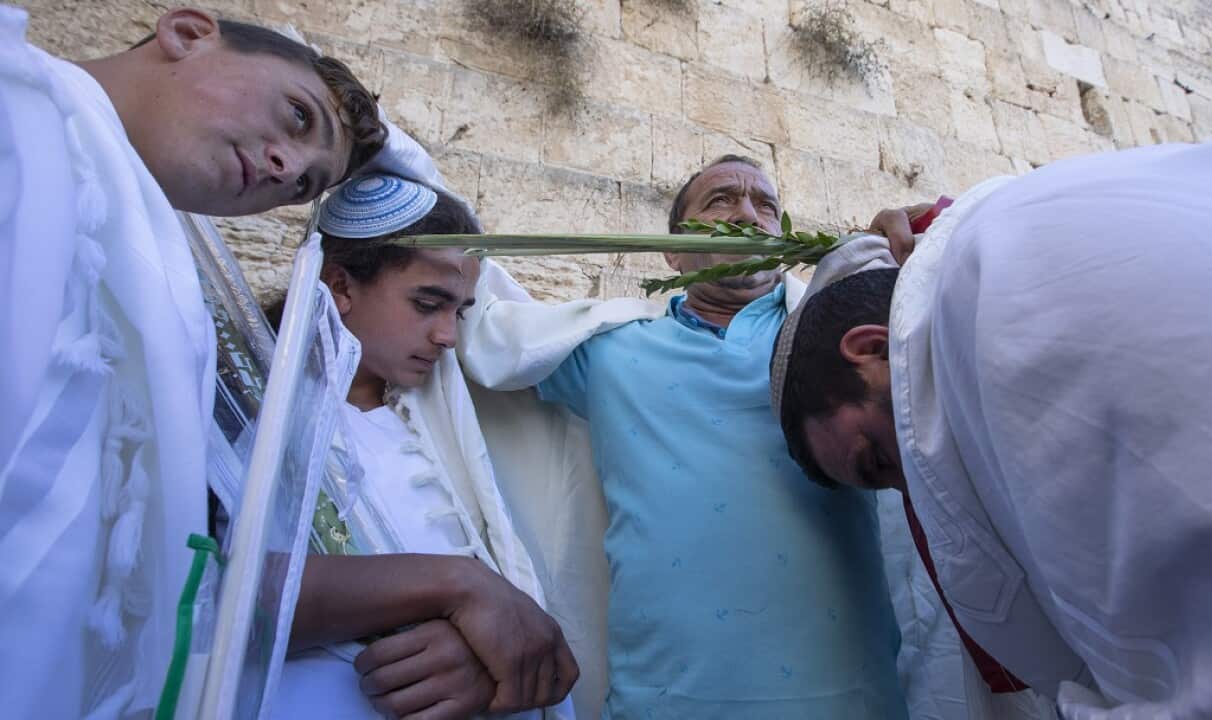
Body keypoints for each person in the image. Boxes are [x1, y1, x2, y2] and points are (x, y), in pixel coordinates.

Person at [770, 132, 1212, 718]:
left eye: (878, 459)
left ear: (873, 346)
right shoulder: (1027, 217)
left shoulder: (993, 322)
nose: (910, 490)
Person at [0, 6, 384, 718]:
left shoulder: (169, 290)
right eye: (297, 118)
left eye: (303, 186)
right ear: (186, 32)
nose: (287, 167)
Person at [462, 155, 911, 719]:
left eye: (766, 205)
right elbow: (468, 308)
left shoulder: (850, 338)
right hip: (662, 704)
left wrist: (920, 253)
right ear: (671, 251)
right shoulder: (606, 350)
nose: (747, 214)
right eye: (720, 200)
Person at [273, 174, 577, 720]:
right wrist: (458, 585)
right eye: (427, 303)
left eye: (458, 312)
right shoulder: (249, 410)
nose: (448, 336)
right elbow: (200, 586)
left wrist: (483, 660)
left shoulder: (440, 435)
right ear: (340, 286)